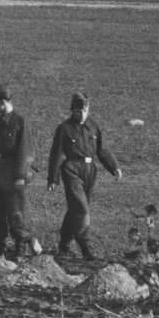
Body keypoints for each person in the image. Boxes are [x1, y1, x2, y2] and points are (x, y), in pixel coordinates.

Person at [47, 92, 122, 261]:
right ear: (72, 110)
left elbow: (101, 149)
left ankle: (64, 244)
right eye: (78, 111)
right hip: (71, 169)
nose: (82, 115)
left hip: (90, 170)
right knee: (81, 208)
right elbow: (56, 154)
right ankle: (86, 247)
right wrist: (53, 179)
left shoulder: (93, 126)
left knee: (77, 207)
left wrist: (114, 167)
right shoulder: (64, 128)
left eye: (85, 111)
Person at [0, 83, 40, 258]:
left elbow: (25, 151)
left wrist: (20, 176)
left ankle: (20, 248)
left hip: (12, 173)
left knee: (16, 211)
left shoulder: (20, 122)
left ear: (2, 102)